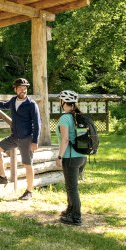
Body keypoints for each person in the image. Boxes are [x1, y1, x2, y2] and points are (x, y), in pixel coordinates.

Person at [0, 78, 41, 201]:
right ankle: (2, 176)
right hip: (14, 137)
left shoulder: (31, 104)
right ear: (15, 89)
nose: (23, 90)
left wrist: (35, 141)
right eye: (20, 88)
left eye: (25, 88)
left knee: (27, 164)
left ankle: (29, 191)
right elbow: (3, 105)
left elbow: (37, 124)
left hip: (27, 138)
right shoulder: (14, 100)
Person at [55, 89, 87, 226]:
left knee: (72, 188)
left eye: (60, 101)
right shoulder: (79, 116)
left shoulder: (65, 118)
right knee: (71, 186)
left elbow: (65, 139)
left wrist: (59, 156)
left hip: (70, 157)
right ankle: (70, 210)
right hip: (82, 157)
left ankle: (76, 217)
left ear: (64, 102)